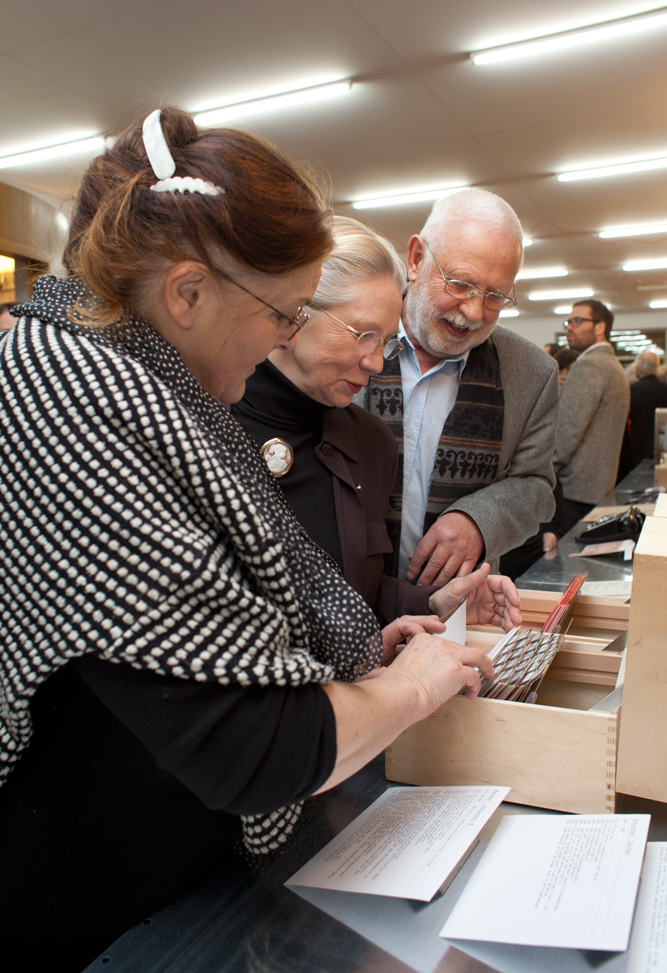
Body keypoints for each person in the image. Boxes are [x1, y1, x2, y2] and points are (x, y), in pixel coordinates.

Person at [0, 109, 494, 972]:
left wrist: (361, 651)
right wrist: (409, 690)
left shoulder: (154, 385)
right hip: (100, 897)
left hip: (175, 855)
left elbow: (208, 630)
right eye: (284, 312)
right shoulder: (75, 403)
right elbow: (260, 746)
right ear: (187, 293)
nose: (283, 337)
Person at [234, 216, 521, 632]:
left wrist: (434, 602)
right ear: (296, 311)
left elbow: (358, 595)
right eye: (362, 334)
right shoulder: (203, 421)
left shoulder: (370, 443)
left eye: (385, 340)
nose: (376, 362)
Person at [358, 188, 559, 587]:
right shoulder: (349, 337)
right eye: (460, 284)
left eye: (495, 296)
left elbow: (537, 487)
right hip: (341, 601)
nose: (473, 311)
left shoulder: (532, 373)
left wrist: (478, 521)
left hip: (461, 611)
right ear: (415, 259)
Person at [548, 299, 630, 538]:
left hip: (575, 492)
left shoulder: (589, 365)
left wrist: (543, 472)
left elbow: (565, 435)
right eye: (568, 321)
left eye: (578, 321)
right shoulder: (613, 365)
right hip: (599, 487)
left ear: (600, 327)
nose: (569, 327)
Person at [629, 350, 667, 463]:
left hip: (637, 445)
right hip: (661, 442)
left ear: (638, 366)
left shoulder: (633, 389)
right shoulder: (665, 388)